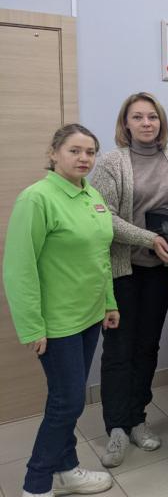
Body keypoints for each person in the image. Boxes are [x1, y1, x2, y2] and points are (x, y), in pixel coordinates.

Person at [3, 124, 119, 497]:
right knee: (67, 402)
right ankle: (36, 484)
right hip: (57, 323)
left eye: (90, 152)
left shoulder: (92, 195)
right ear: (54, 153)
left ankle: (66, 470)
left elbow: (100, 255)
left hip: (89, 316)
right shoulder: (36, 199)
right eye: (74, 150)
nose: (84, 158)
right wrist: (32, 327)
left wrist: (109, 302)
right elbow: (18, 268)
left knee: (68, 399)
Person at [92, 92, 168, 467]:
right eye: (137, 117)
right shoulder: (111, 163)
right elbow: (103, 217)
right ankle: (116, 428)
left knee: (148, 346)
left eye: (152, 116)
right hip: (122, 270)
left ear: (161, 121)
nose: (146, 123)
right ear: (126, 123)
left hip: (160, 271)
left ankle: (137, 418)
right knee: (119, 348)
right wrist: (149, 239)